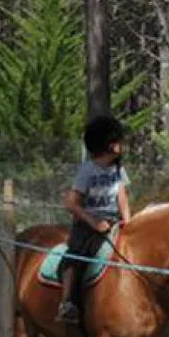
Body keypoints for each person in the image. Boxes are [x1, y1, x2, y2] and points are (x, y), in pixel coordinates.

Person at [57, 115, 131, 325]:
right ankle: (67, 302)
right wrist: (94, 223)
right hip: (88, 224)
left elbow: (122, 198)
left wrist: (129, 222)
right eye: (119, 140)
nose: (122, 144)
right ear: (109, 144)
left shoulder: (118, 170)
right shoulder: (87, 170)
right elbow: (72, 204)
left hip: (113, 222)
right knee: (76, 256)